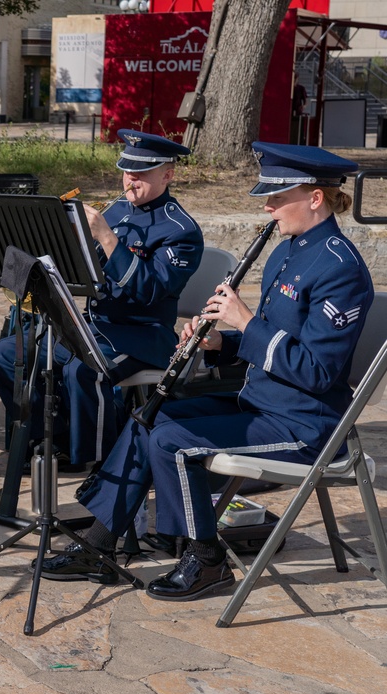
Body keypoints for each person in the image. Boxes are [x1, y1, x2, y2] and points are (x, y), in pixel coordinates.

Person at [37, 143, 372, 601]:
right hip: (261, 403)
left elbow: (316, 371)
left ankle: (207, 559)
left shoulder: (340, 268)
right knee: (149, 419)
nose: (268, 207)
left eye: (277, 197)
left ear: (315, 197)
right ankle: (98, 544)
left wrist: (245, 323)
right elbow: (273, 341)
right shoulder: (287, 252)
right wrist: (220, 342)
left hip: (306, 424)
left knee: (174, 443)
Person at [0, 130, 204, 472]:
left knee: (84, 369)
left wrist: (104, 236)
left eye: (142, 172)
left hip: (142, 335)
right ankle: (54, 442)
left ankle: (98, 461)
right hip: (94, 326)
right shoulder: (116, 210)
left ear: (168, 174)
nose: (131, 179)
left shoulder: (181, 230)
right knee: (2, 354)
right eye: (127, 170)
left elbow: (149, 289)